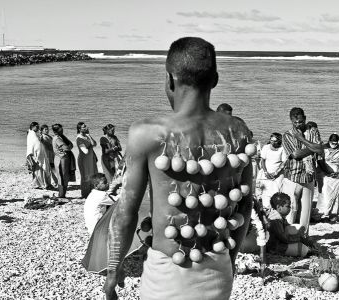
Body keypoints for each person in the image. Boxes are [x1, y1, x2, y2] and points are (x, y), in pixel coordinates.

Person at [102, 37, 254, 300]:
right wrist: (231, 257)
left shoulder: (146, 133)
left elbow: (125, 211)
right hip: (218, 268)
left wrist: (113, 268)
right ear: (215, 80)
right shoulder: (238, 131)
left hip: (168, 273)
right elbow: (245, 204)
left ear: (170, 80)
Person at [282, 107, 323, 233]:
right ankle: (288, 234)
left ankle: (304, 236)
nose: (298, 124)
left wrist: (301, 139)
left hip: (309, 175)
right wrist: (314, 148)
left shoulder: (313, 131)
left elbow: (320, 150)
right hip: (293, 175)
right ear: (291, 121)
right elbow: (296, 155)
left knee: (306, 209)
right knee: (290, 208)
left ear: (304, 119)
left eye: (300, 121)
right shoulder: (287, 135)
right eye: (295, 122)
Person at [316, 134, 339, 221]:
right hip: (325, 174)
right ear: (329, 141)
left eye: (335, 143)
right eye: (332, 142)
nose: (334, 144)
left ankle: (334, 211)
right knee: (325, 193)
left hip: (337, 175)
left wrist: (338, 171)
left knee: (336, 193)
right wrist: (328, 172)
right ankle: (323, 211)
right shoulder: (323, 148)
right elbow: (320, 161)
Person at [266, 193, 310, 257]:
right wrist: (300, 238)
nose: (290, 208)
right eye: (288, 206)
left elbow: (288, 227)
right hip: (275, 248)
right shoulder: (275, 220)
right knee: (304, 249)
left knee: (298, 229)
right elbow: (285, 239)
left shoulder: (277, 215)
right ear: (279, 207)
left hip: (278, 243)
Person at [256, 133, 287, 208]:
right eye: (271, 140)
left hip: (278, 175)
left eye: (275, 140)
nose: (272, 142)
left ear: (279, 141)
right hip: (266, 173)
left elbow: (284, 162)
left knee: (276, 191)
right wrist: (266, 172)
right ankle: (266, 208)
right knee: (265, 192)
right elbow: (262, 160)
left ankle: (276, 209)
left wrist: (276, 172)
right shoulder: (266, 147)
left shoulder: (282, 149)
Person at [26, 122, 54, 189]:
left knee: (42, 169)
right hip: (36, 155)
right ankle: (41, 184)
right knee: (39, 170)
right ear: (33, 127)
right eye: (37, 127)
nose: (38, 128)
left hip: (40, 154)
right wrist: (33, 155)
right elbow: (31, 145)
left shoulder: (34, 134)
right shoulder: (31, 134)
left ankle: (40, 184)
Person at [52, 124, 76, 198]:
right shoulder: (57, 138)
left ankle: (63, 195)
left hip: (64, 158)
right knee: (62, 177)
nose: (62, 130)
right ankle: (61, 195)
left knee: (64, 177)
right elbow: (67, 148)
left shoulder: (61, 137)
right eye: (60, 129)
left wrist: (68, 146)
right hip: (61, 159)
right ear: (56, 131)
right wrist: (68, 147)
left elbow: (71, 145)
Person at [76, 122, 98, 198]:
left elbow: (95, 144)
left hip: (90, 159)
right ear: (79, 129)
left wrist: (89, 136)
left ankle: (91, 192)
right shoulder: (79, 139)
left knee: (92, 175)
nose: (86, 128)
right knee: (85, 176)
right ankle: (85, 194)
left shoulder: (87, 136)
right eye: (84, 127)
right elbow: (85, 151)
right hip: (84, 160)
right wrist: (90, 144)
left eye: (85, 126)